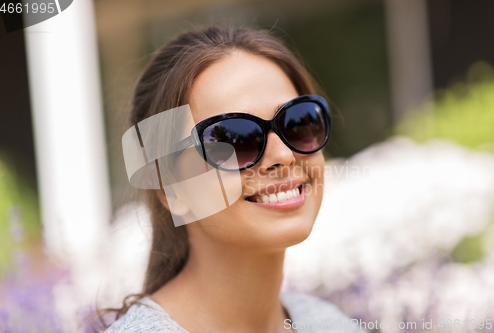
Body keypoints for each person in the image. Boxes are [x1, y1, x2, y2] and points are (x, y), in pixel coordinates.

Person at [99, 24, 365, 333]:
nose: (283, 155)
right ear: (169, 188)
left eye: (297, 122)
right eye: (234, 138)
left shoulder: (331, 324)